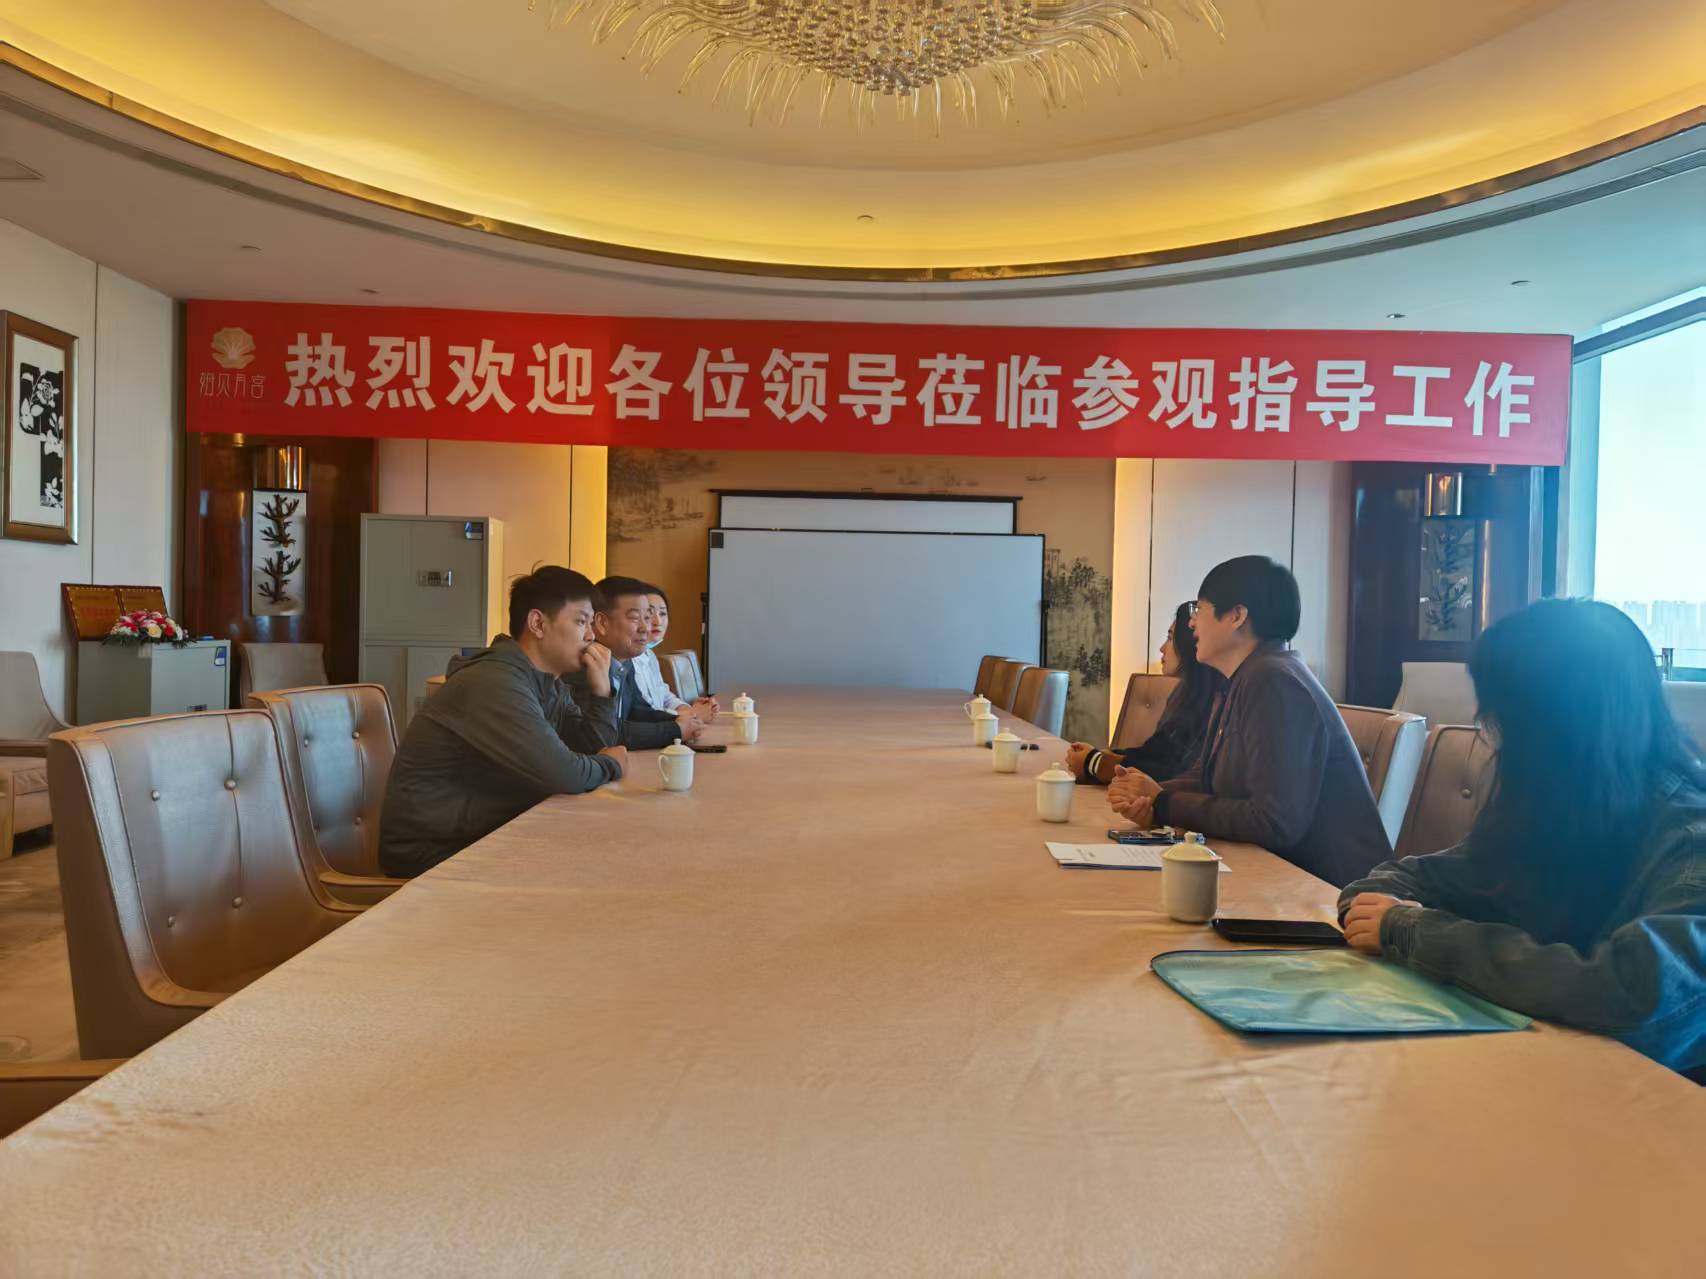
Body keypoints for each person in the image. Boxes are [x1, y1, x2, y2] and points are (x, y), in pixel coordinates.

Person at [1341, 598, 1706, 1080]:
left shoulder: (1690, 840)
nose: (1484, 723)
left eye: (1501, 711)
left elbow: (1637, 999)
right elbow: (1401, 883)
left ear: (1555, 724)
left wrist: (1416, 934)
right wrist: (1386, 916)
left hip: (1653, 1107)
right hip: (1545, 1073)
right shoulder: (1558, 804)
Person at [1108, 555, 1390, 886]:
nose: (1192, 623)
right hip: (1279, 879)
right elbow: (1206, 779)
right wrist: (1147, 794)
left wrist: (1164, 802)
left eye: (1199, 609)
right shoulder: (1244, 678)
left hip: (1330, 894)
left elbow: (1274, 821)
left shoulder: (1273, 681)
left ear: (1237, 616)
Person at [378, 566, 628, 878]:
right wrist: (611, 764)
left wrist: (602, 692)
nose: (591, 635)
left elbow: (589, 747)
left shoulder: (546, 681)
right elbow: (566, 775)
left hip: (483, 836)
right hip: (434, 853)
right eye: (581, 622)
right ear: (538, 623)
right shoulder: (495, 682)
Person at [1065, 602, 1223, 785]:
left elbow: (1177, 776)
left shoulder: (1216, 702)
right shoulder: (1185, 693)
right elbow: (1155, 752)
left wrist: (1094, 762)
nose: (1162, 648)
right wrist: (1097, 756)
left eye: (1170, 638)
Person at [578, 576, 706, 749]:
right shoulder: (584, 666)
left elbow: (639, 712)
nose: (646, 628)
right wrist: (675, 730)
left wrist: (686, 721)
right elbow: (609, 730)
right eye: (635, 618)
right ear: (602, 623)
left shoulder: (624, 662)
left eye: (646, 618)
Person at [632, 584, 718, 722]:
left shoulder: (650, 655)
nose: (657, 621)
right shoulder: (626, 659)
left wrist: (688, 709)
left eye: (662, 613)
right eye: (649, 613)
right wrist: (692, 715)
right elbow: (645, 712)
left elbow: (665, 696)